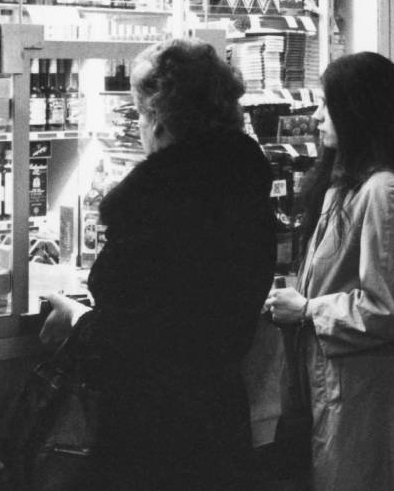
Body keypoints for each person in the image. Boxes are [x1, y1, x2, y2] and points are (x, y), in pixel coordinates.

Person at [40, 37, 276, 490]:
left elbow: (134, 340)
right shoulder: (246, 187)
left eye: (141, 114)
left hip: (155, 436)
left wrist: (73, 320)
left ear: (161, 118)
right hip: (220, 422)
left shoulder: (155, 208)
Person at [264, 51, 394, 491]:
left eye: (327, 105)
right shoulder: (347, 188)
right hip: (347, 387)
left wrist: (308, 309)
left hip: (370, 397)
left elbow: (390, 306)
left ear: (360, 112)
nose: (316, 116)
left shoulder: (384, 193)